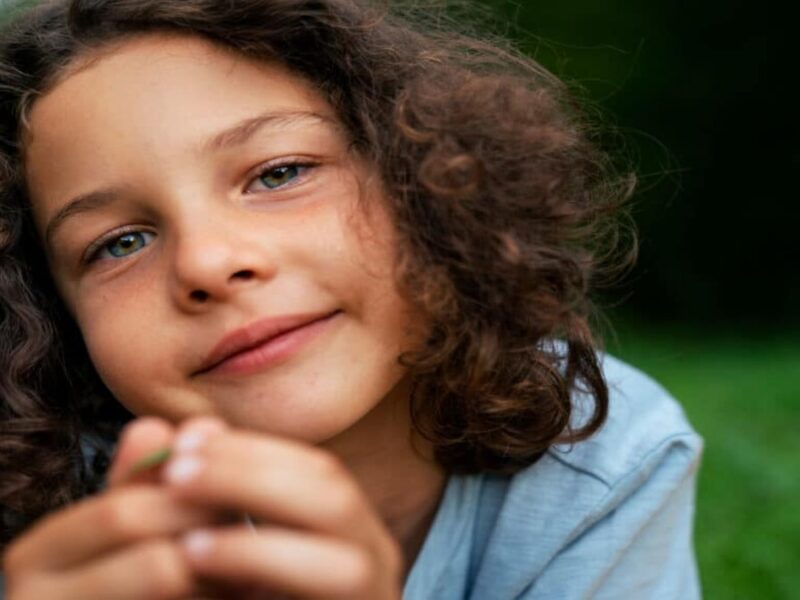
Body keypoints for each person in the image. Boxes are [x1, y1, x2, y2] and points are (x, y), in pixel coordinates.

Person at [0, 0, 703, 598]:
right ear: (51, 315)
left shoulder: (602, 461)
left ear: (425, 182)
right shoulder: (59, 527)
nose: (210, 263)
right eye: (118, 243)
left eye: (279, 173)